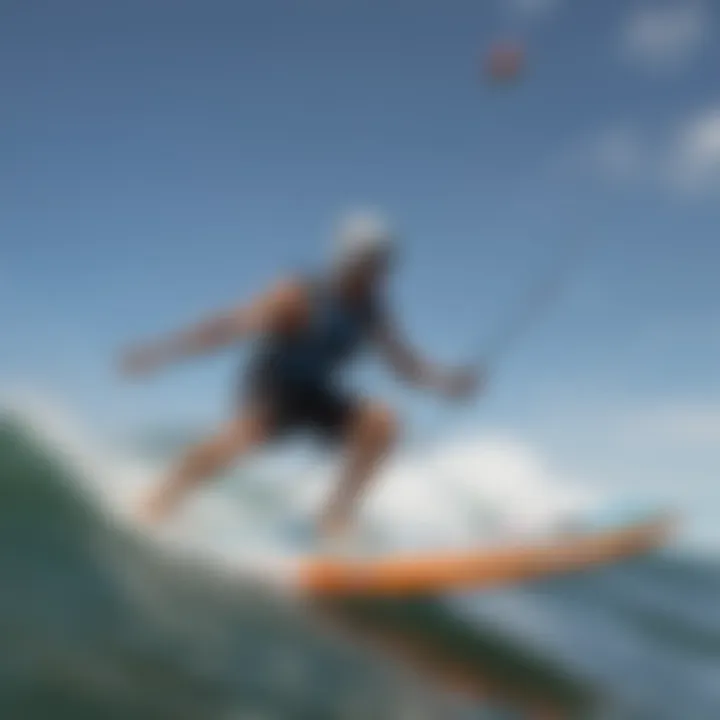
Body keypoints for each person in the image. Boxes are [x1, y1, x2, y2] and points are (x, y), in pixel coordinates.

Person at [120, 211, 480, 543]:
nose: (380, 273)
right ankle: (160, 501)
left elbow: (404, 365)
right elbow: (227, 327)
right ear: (349, 259)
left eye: (385, 264)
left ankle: (334, 521)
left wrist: (448, 383)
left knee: (382, 423)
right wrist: (158, 353)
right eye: (373, 262)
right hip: (272, 388)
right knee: (239, 439)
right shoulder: (298, 294)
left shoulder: (372, 311)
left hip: (314, 395)